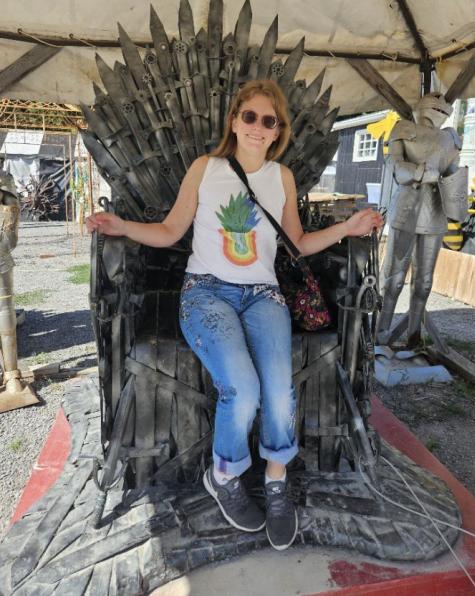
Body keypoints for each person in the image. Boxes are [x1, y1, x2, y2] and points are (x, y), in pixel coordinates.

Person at [86, 79, 383, 550]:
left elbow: (299, 244)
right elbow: (170, 231)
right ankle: (223, 476)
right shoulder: (206, 169)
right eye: (251, 117)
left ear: (278, 130)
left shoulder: (281, 177)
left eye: (270, 121)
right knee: (241, 390)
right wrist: (120, 226)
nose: (259, 128)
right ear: (234, 121)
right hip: (206, 293)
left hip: (263, 294)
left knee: (280, 391)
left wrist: (350, 227)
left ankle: (276, 481)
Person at [376, 92, 464, 348]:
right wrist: (421, 172)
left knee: (424, 283)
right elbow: (395, 167)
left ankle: (414, 337)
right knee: (393, 279)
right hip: (407, 209)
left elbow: (453, 174)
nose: (440, 108)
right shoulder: (402, 129)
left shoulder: (450, 138)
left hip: (435, 211)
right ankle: (379, 336)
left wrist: (455, 190)